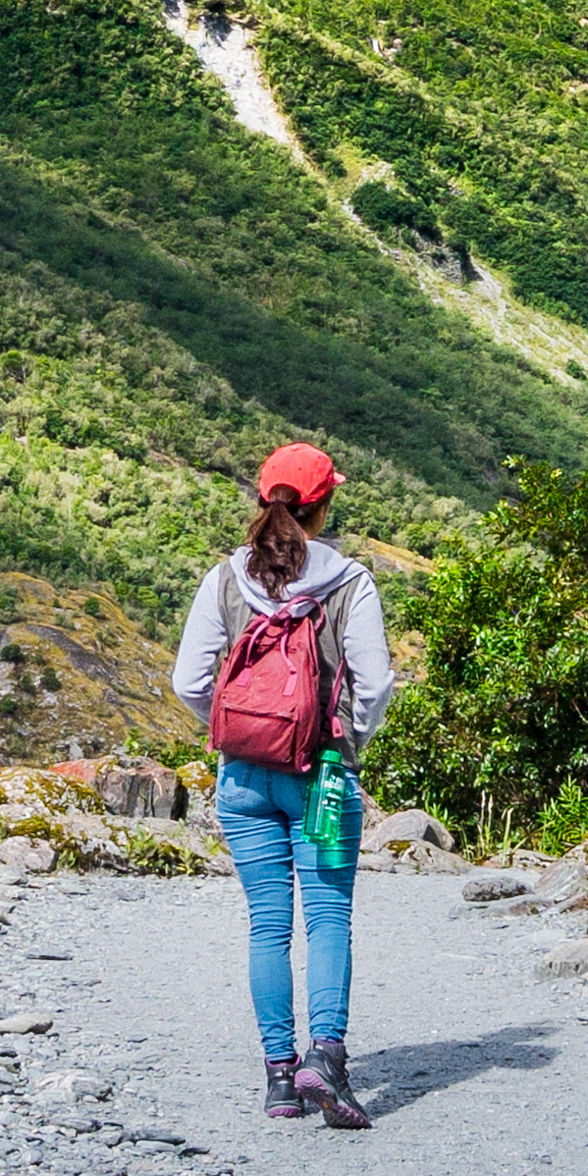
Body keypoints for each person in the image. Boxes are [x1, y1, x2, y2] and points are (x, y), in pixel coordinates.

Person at [171, 441, 398, 1128]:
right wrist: (346, 742)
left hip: (242, 779)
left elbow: (187, 681)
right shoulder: (349, 581)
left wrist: (235, 731)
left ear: (264, 499)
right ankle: (323, 1056)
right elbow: (376, 682)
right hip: (322, 774)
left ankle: (277, 1078)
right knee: (327, 916)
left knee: (267, 924)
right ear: (323, 504)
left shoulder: (223, 579)